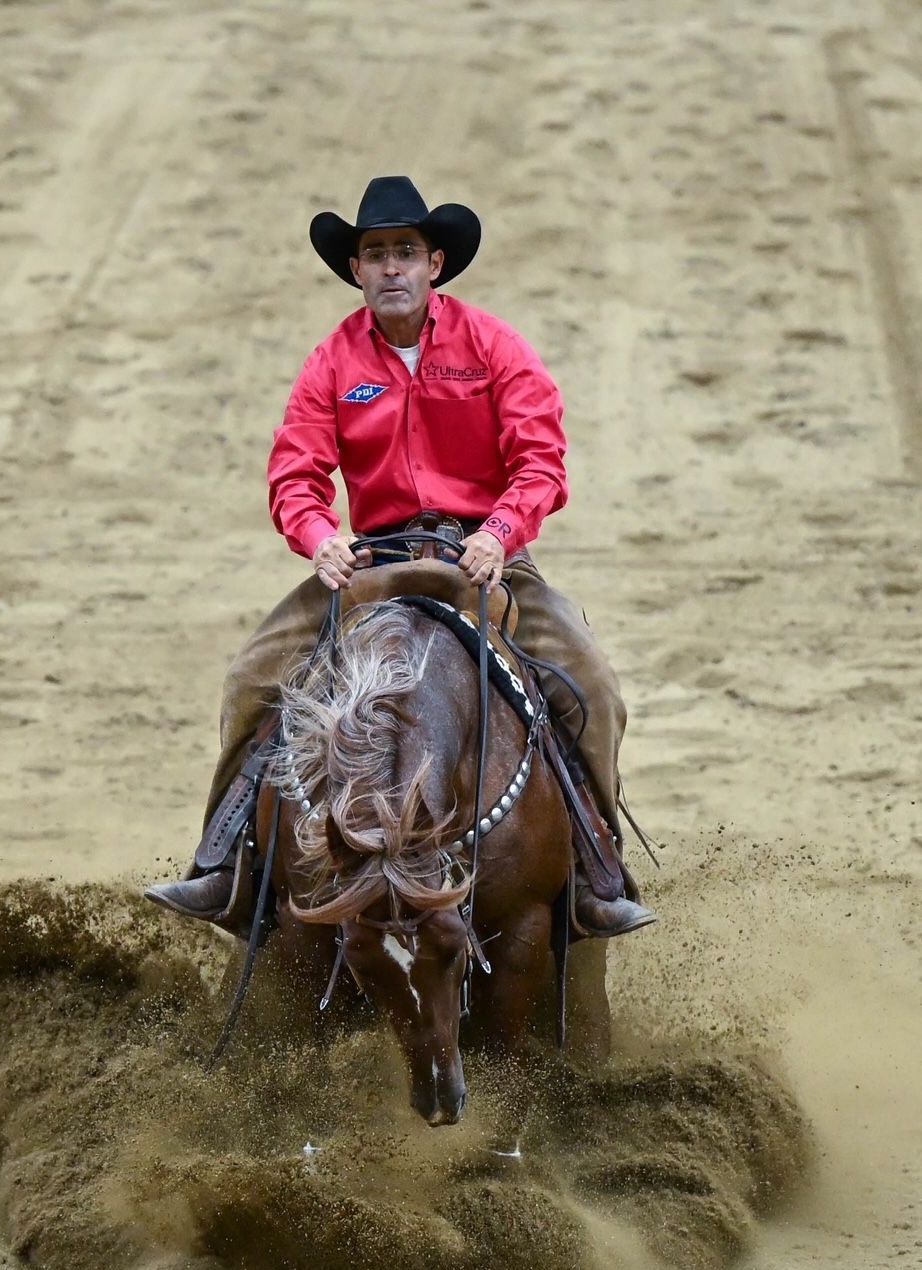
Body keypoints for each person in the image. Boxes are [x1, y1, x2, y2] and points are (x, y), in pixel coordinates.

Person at [147, 176, 653, 938]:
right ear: (356, 270)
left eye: (405, 253)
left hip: (488, 558)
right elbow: (296, 473)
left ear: (435, 264)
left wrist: (499, 533)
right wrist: (319, 538)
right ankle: (225, 867)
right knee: (252, 678)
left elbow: (541, 462)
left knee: (592, 688)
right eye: (375, 254)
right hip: (369, 559)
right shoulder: (332, 362)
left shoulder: (494, 346)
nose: (390, 268)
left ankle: (595, 869)